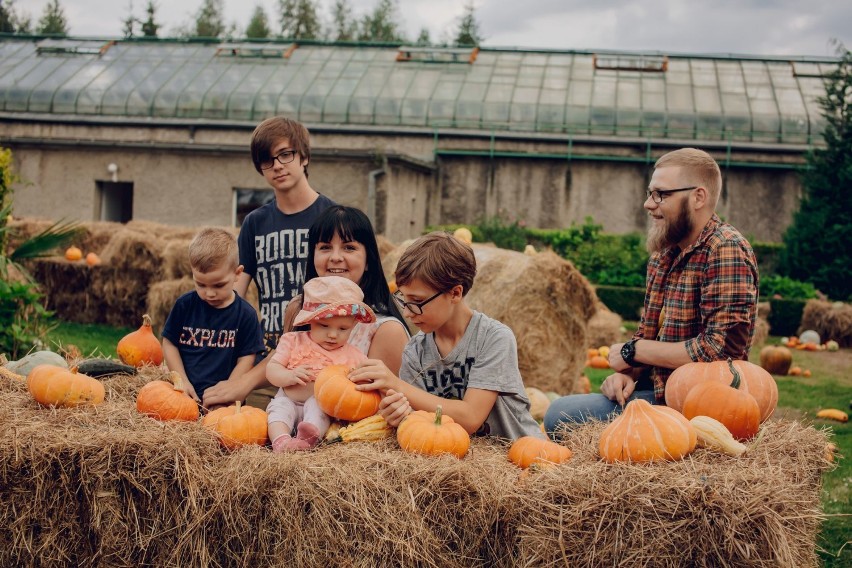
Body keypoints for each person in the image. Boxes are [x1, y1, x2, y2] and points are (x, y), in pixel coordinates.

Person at [544, 147, 759, 434]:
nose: (648, 204)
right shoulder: (663, 255)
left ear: (698, 197)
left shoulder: (725, 248)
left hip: (700, 406)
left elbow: (719, 350)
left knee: (561, 415)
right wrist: (627, 375)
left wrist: (636, 351)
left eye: (660, 194)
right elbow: (648, 334)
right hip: (657, 393)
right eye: (649, 193)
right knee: (561, 414)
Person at [202, 205, 408, 408]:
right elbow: (287, 353)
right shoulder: (298, 308)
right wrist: (243, 383)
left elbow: (381, 404)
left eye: (349, 247)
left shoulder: (386, 330)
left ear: (368, 260)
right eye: (325, 247)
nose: (335, 257)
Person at [348, 232, 544, 440]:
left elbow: (470, 417)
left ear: (455, 293)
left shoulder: (493, 338)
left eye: (417, 301)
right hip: (456, 460)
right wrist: (400, 414)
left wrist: (395, 384)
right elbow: (424, 422)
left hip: (518, 457)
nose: (406, 312)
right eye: (403, 299)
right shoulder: (415, 351)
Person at [238, 116, 336, 357]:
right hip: (268, 355)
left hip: (322, 352)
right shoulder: (254, 223)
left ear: (304, 157)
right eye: (267, 160)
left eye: (285, 154)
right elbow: (234, 293)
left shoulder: (333, 217)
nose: (277, 165)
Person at [266, 275, 376, 452]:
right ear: (310, 320)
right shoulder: (293, 341)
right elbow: (271, 370)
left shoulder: (354, 356)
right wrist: (288, 376)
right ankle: (281, 441)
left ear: (354, 325)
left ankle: (306, 441)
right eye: (324, 326)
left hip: (322, 407)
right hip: (288, 398)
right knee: (278, 408)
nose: (333, 334)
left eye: (342, 328)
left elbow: (366, 384)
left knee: (319, 407)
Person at [161, 228, 265, 406]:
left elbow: (247, 357)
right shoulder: (184, 305)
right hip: (184, 393)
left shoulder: (246, 315)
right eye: (200, 284)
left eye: (218, 285)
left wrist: (230, 389)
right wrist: (181, 380)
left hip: (222, 401)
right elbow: (169, 343)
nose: (209, 293)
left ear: (237, 274)